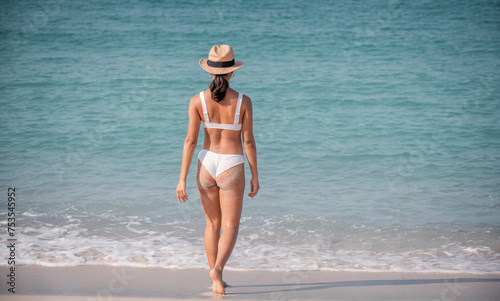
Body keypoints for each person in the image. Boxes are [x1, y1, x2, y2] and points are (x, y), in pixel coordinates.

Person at [176, 45, 259, 295]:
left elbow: (190, 141)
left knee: (212, 224)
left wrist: (181, 179)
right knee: (231, 225)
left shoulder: (196, 101)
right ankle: (218, 270)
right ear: (232, 73)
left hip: (205, 163)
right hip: (231, 164)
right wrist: (255, 175)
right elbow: (248, 142)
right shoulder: (244, 101)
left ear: (210, 72)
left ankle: (215, 276)